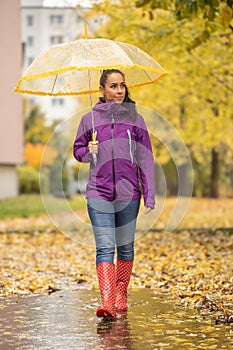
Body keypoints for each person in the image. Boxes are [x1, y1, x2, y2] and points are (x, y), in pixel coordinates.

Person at [73, 69, 155, 319]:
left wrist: (148, 194)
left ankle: (121, 294)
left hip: (129, 192)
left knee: (126, 248)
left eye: (122, 86)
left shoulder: (136, 120)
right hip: (99, 191)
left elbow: (145, 158)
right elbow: (78, 152)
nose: (120, 91)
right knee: (105, 247)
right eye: (114, 86)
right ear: (102, 90)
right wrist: (89, 150)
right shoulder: (89, 119)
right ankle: (107, 301)